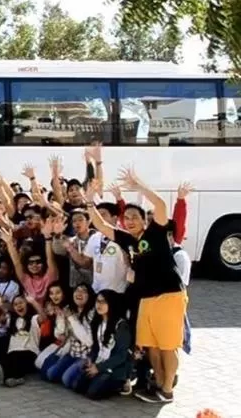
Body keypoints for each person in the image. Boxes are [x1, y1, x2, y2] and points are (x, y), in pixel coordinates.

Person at [87, 168, 187, 403]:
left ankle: (168, 390)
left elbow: (161, 205)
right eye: (127, 218)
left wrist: (139, 186)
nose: (130, 221)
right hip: (146, 298)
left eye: (135, 217)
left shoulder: (156, 232)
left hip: (169, 295)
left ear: (144, 221)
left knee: (168, 345)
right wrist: (90, 201)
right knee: (151, 345)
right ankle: (160, 386)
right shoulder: (127, 239)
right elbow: (101, 225)